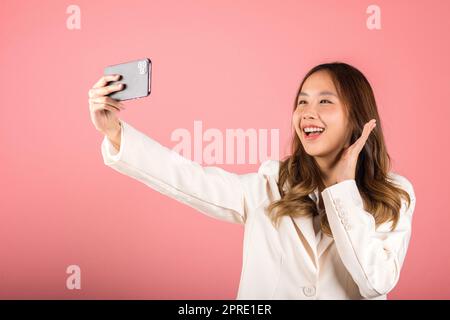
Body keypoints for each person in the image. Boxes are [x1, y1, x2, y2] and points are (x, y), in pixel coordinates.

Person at [88, 61, 416, 300]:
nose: (307, 112)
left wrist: (343, 189)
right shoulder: (270, 183)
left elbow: (375, 283)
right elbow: (189, 179)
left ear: (357, 117)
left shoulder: (395, 195)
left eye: (325, 101)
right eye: (302, 101)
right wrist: (114, 133)